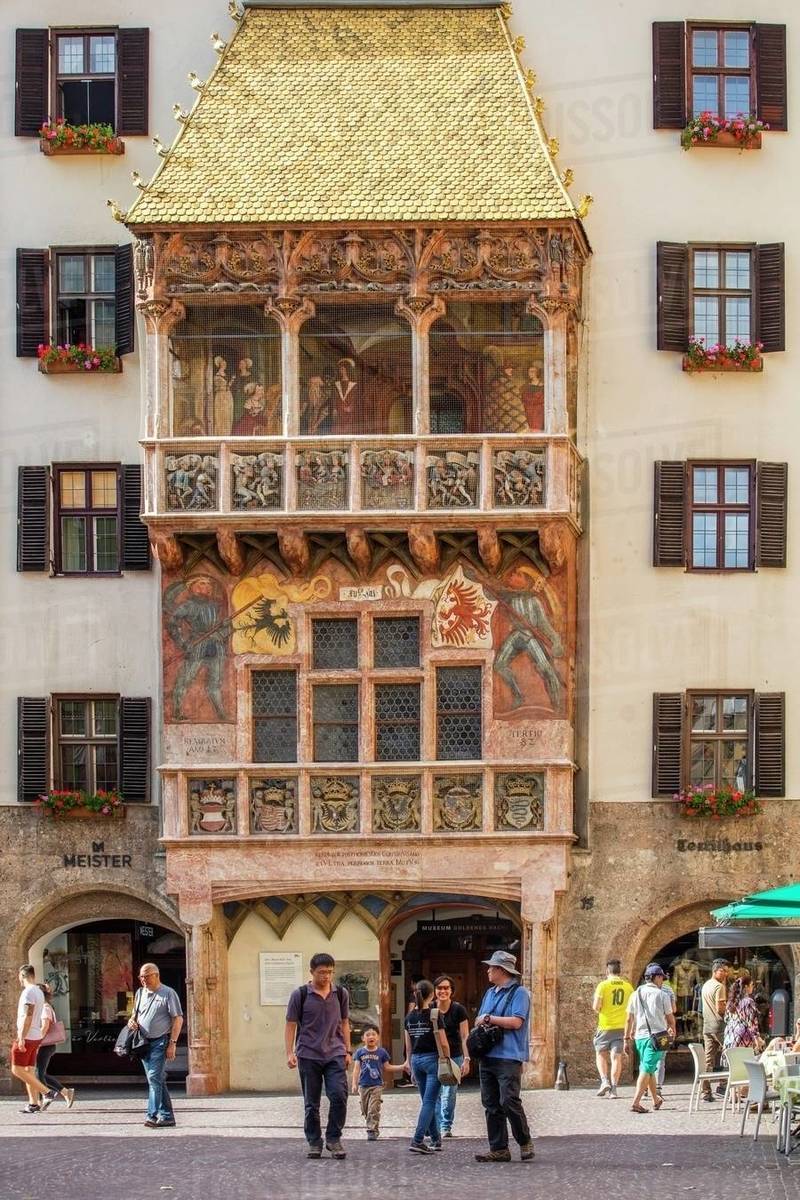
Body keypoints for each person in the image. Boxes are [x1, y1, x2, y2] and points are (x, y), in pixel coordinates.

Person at [285, 953, 351, 1159]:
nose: (326, 976)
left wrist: (348, 1050)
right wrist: (289, 1052)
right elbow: (290, 1024)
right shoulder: (301, 994)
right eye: (322, 972)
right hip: (308, 1054)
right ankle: (314, 1141)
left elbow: (345, 1022)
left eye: (330, 972)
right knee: (311, 1103)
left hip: (335, 1053)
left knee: (339, 1096)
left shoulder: (340, 993)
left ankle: (333, 1138)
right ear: (312, 971)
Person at [473, 950, 535, 1164]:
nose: (488, 970)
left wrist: (489, 1018)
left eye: (491, 967)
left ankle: (524, 1140)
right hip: (487, 1054)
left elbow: (517, 1022)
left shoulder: (520, 993)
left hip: (508, 1055)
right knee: (490, 1103)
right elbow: (478, 1020)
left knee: (508, 1100)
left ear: (501, 970)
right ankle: (499, 1149)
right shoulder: (490, 992)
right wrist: (482, 1020)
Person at [127, 963, 183, 1128]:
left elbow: (178, 1019)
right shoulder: (139, 993)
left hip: (160, 1041)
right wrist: (131, 1021)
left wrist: (172, 1043)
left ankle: (151, 1116)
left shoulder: (168, 993)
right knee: (157, 1079)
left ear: (157, 975)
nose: (143, 980)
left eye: (146, 976)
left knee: (153, 1078)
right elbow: (134, 1015)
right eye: (141, 977)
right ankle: (167, 1116)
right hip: (143, 1043)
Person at [403, 979, 449, 1154]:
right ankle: (417, 1139)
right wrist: (447, 1059)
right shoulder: (435, 1014)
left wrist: (410, 1064)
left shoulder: (409, 1017)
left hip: (416, 1060)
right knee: (430, 1102)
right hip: (432, 1060)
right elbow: (443, 1043)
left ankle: (436, 1140)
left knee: (426, 1102)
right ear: (431, 995)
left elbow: (408, 1045)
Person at [623, 962, 676, 1114]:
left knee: (650, 1068)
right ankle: (636, 1102)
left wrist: (627, 1038)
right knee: (646, 1069)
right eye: (662, 978)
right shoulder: (662, 995)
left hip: (640, 1037)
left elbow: (628, 1019)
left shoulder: (635, 994)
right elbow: (670, 1017)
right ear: (656, 977)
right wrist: (673, 1029)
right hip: (659, 1037)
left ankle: (655, 1099)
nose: (663, 981)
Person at [350, 1022, 405, 1140]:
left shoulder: (381, 1052)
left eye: (374, 1034)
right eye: (368, 1035)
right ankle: (371, 1124)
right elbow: (356, 1069)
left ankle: (372, 1130)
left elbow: (387, 1067)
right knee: (365, 1109)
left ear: (378, 1037)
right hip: (363, 1086)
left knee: (373, 1108)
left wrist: (402, 1066)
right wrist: (354, 1084)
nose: (371, 1037)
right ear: (363, 1038)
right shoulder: (360, 1052)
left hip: (377, 1085)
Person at [432, 974, 470, 1136]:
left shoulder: (458, 1009)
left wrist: (467, 1058)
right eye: (440, 988)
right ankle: (437, 1125)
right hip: (433, 1056)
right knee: (435, 1093)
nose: (443, 991)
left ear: (451, 991)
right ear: (434, 991)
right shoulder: (430, 1009)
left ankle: (445, 1126)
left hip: (454, 1056)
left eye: (446, 988)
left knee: (449, 1093)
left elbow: (464, 1036)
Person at [11, 965, 52, 1114]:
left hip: (27, 1036)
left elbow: (28, 1016)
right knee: (29, 1070)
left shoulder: (28, 992)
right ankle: (33, 1104)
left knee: (17, 1069)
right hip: (36, 1036)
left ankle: (47, 1092)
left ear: (22, 975)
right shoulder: (39, 992)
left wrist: (21, 1037)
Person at [592, 958, 633, 1099]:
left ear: (607, 971)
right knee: (617, 1058)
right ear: (619, 971)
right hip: (622, 1027)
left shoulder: (603, 986)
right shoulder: (628, 987)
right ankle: (614, 1089)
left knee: (601, 1053)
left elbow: (596, 1007)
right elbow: (632, 1009)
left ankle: (604, 1081)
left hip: (605, 1025)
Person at [36, 983, 75, 1109]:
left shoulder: (45, 1007)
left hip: (45, 1045)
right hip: (46, 1045)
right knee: (39, 1073)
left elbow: (45, 1027)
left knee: (38, 1073)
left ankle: (45, 1097)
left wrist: (36, 1043)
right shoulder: (43, 1007)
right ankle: (65, 1092)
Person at [700, 958, 730, 1103]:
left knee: (708, 1059)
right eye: (722, 971)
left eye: (726, 971)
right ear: (715, 970)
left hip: (707, 1026)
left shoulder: (705, 985)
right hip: (719, 1025)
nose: (725, 974)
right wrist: (729, 1011)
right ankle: (724, 1086)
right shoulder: (719, 987)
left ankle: (705, 1091)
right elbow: (720, 1008)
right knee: (730, 1053)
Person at [723, 972, 764, 1053]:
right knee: (744, 1062)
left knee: (732, 1062)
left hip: (729, 1035)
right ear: (746, 987)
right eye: (752, 985)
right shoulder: (748, 1001)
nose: (753, 987)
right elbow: (751, 1022)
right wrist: (758, 1038)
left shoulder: (731, 1002)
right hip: (743, 1036)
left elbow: (726, 1019)